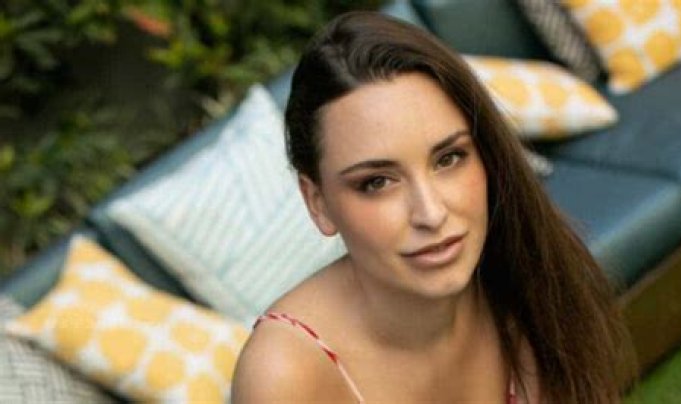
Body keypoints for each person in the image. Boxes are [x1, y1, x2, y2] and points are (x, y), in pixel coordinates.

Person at [232, 11, 632, 404]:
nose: (431, 213)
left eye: (449, 158)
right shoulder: (285, 376)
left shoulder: (524, 279)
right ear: (317, 203)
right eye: (377, 182)